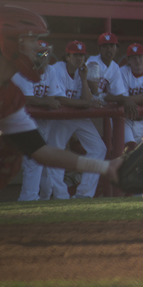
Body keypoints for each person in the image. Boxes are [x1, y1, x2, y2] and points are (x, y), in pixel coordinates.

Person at [0, 4, 128, 205]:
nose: (38, 49)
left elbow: (42, 152)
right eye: (31, 40)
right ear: (9, 41)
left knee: (6, 151)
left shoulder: (9, 94)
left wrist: (106, 168)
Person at [42, 41, 107, 199]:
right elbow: (60, 99)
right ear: (67, 56)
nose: (80, 58)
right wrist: (88, 103)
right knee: (55, 153)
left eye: (82, 55)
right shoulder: (58, 68)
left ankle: (84, 194)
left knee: (99, 148)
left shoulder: (82, 71)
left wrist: (84, 79)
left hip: (77, 116)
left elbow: (86, 98)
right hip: (60, 116)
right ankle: (60, 196)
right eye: (76, 55)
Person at [11, 41, 61, 201]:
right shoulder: (22, 70)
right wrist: (46, 102)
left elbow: (52, 97)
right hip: (13, 120)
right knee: (3, 158)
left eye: (46, 53)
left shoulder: (51, 70)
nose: (44, 57)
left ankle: (29, 197)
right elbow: (28, 99)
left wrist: (47, 101)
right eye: (39, 53)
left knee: (35, 160)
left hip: (39, 122)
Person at [86, 32, 138, 120]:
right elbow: (94, 94)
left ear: (117, 49)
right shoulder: (93, 62)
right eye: (105, 46)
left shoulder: (115, 67)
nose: (109, 49)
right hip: (76, 103)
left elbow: (118, 93)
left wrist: (125, 99)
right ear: (99, 49)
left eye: (111, 46)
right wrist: (124, 99)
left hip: (90, 107)